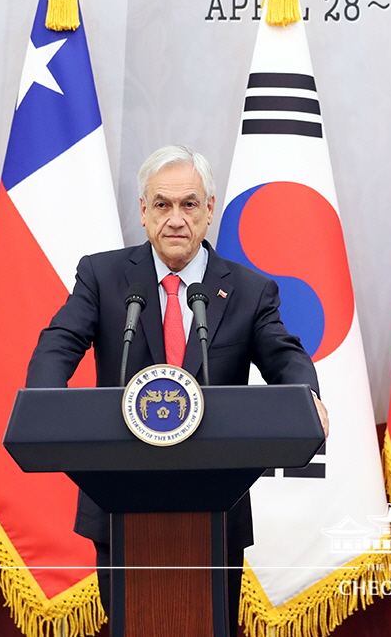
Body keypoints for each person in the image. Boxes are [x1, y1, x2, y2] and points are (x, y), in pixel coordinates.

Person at [25, 145, 327, 622]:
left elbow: (283, 355)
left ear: (209, 211)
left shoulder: (249, 290)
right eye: (162, 205)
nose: (175, 218)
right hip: (118, 497)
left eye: (189, 204)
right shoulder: (103, 276)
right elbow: (61, 341)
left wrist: (307, 395)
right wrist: (43, 405)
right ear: (143, 213)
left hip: (216, 505)